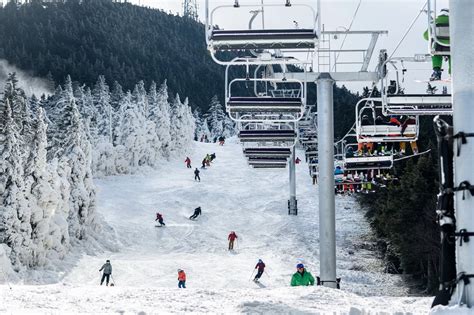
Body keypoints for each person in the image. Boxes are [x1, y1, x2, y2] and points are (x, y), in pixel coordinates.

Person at [423, 8, 450, 81]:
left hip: (439, 46)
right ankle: (453, 73)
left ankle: (436, 71)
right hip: (452, 46)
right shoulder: (454, 21)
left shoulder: (435, 21)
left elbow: (426, 36)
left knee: (436, 53)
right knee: (453, 56)